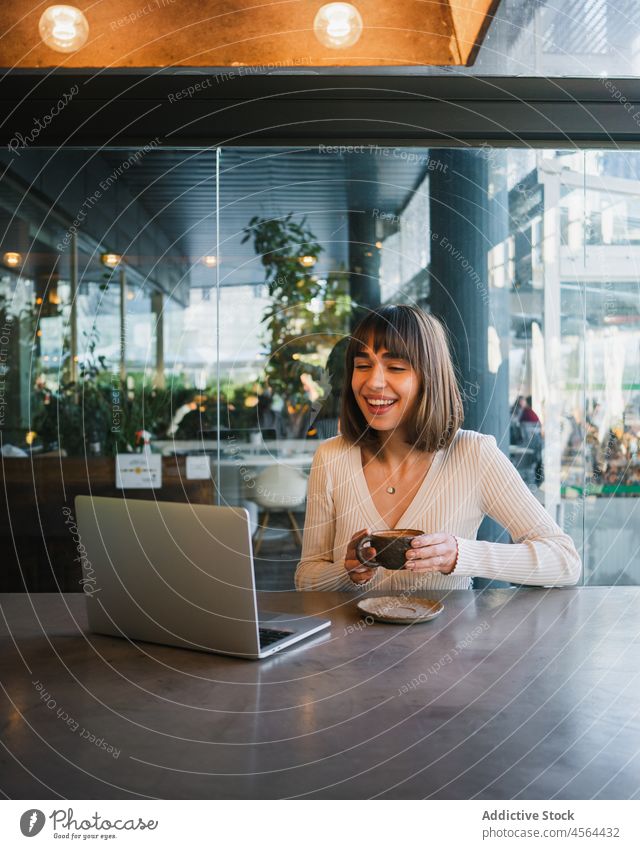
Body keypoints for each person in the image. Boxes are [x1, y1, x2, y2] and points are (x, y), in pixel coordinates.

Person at [295, 305, 581, 591]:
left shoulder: (474, 454)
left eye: (395, 368)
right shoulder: (331, 457)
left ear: (429, 379)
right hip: (355, 638)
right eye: (362, 366)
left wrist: (460, 554)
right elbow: (306, 577)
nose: (373, 382)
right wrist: (348, 573)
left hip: (450, 637)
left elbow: (564, 561)